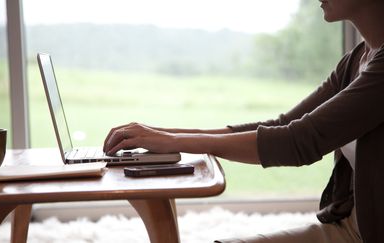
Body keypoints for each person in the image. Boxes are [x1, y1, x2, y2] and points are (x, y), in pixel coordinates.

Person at [103, 0, 384, 242]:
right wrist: (158, 134)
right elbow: (283, 123)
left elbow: (298, 141)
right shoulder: (357, 58)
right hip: (354, 229)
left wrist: (174, 141)